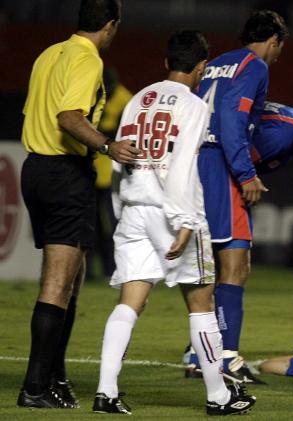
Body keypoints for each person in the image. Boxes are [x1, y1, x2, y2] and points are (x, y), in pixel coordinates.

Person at [92, 30, 256, 416]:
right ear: (202, 67)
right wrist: (185, 221)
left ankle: (105, 392)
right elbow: (182, 166)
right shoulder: (195, 105)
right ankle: (219, 396)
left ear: (167, 63)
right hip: (172, 211)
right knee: (201, 302)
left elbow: (120, 157)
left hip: (134, 208)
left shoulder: (138, 99)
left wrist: (121, 209)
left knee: (130, 302)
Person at [17, 0, 140, 409]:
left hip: (35, 168)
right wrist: (108, 145)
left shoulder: (50, 53)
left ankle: (55, 377)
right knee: (59, 281)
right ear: (111, 25)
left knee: (69, 277)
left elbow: (35, 110)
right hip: (64, 172)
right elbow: (68, 117)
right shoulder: (89, 62)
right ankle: (35, 387)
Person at [184, 101, 293, 376]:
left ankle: (201, 349)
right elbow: (232, 151)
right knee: (235, 267)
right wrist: (245, 179)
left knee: (220, 267)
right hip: (216, 179)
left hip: (210, 177)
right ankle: (223, 358)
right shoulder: (282, 135)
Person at [195, 9, 288, 384]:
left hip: (195, 161)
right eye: (280, 47)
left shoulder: (216, 63)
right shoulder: (255, 66)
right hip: (221, 162)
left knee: (207, 263)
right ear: (274, 41)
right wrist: (246, 173)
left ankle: (202, 350)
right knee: (236, 261)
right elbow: (234, 117)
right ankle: (227, 358)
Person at [86, 66, 133, 281]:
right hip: (91, 168)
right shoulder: (90, 94)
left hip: (113, 172)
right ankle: (89, 271)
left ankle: (112, 268)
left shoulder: (126, 100)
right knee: (89, 223)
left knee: (113, 224)